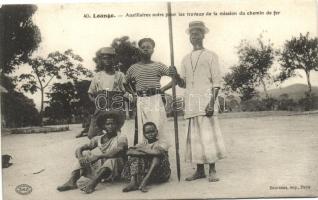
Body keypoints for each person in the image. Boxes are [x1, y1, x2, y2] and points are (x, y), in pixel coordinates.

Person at [168, 21, 226, 182]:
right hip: (191, 102)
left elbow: (216, 82)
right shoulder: (185, 58)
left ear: (203, 35)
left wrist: (211, 102)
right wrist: (175, 75)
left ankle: (212, 170)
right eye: (191, 33)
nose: (194, 36)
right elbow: (183, 83)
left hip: (206, 100)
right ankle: (200, 170)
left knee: (208, 135)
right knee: (194, 137)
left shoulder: (211, 55)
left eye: (197, 33)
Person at [57, 111, 128, 194]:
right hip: (102, 170)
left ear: (117, 125)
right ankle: (72, 181)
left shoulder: (121, 137)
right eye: (108, 124)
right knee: (85, 155)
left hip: (116, 170)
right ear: (103, 126)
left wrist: (98, 156)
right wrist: (81, 158)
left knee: (112, 160)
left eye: (113, 124)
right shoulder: (98, 138)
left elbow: (117, 151)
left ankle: (93, 184)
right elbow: (79, 148)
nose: (110, 126)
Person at [125, 38, 171, 145]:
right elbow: (125, 83)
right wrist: (133, 93)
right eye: (143, 47)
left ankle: (161, 155)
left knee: (158, 126)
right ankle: (145, 156)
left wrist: (163, 89)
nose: (146, 49)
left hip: (155, 99)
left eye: (148, 47)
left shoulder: (158, 65)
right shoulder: (133, 68)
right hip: (141, 100)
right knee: (143, 129)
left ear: (153, 50)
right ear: (139, 50)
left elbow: (175, 79)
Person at [87, 47, 130, 139]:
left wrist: (125, 108)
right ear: (101, 60)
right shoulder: (97, 76)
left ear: (113, 59)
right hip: (101, 106)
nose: (107, 60)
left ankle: (114, 150)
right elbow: (90, 93)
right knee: (92, 134)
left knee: (115, 132)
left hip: (115, 107)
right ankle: (102, 147)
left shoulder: (120, 75)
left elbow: (127, 92)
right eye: (104, 58)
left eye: (110, 58)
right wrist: (95, 101)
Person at [121, 122, 171, 192]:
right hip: (147, 173)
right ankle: (133, 182)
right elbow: (129, 152)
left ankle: (144, 182)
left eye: (152, 131)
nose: (150, 134)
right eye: (147, 132)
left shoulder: (162, 142)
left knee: (157, 157)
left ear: (156, 131)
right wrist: (147, 153)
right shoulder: (143, 143)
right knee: (134, 157)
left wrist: (142, 150)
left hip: (161, 173)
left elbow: (157, 152)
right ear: (144, 134)